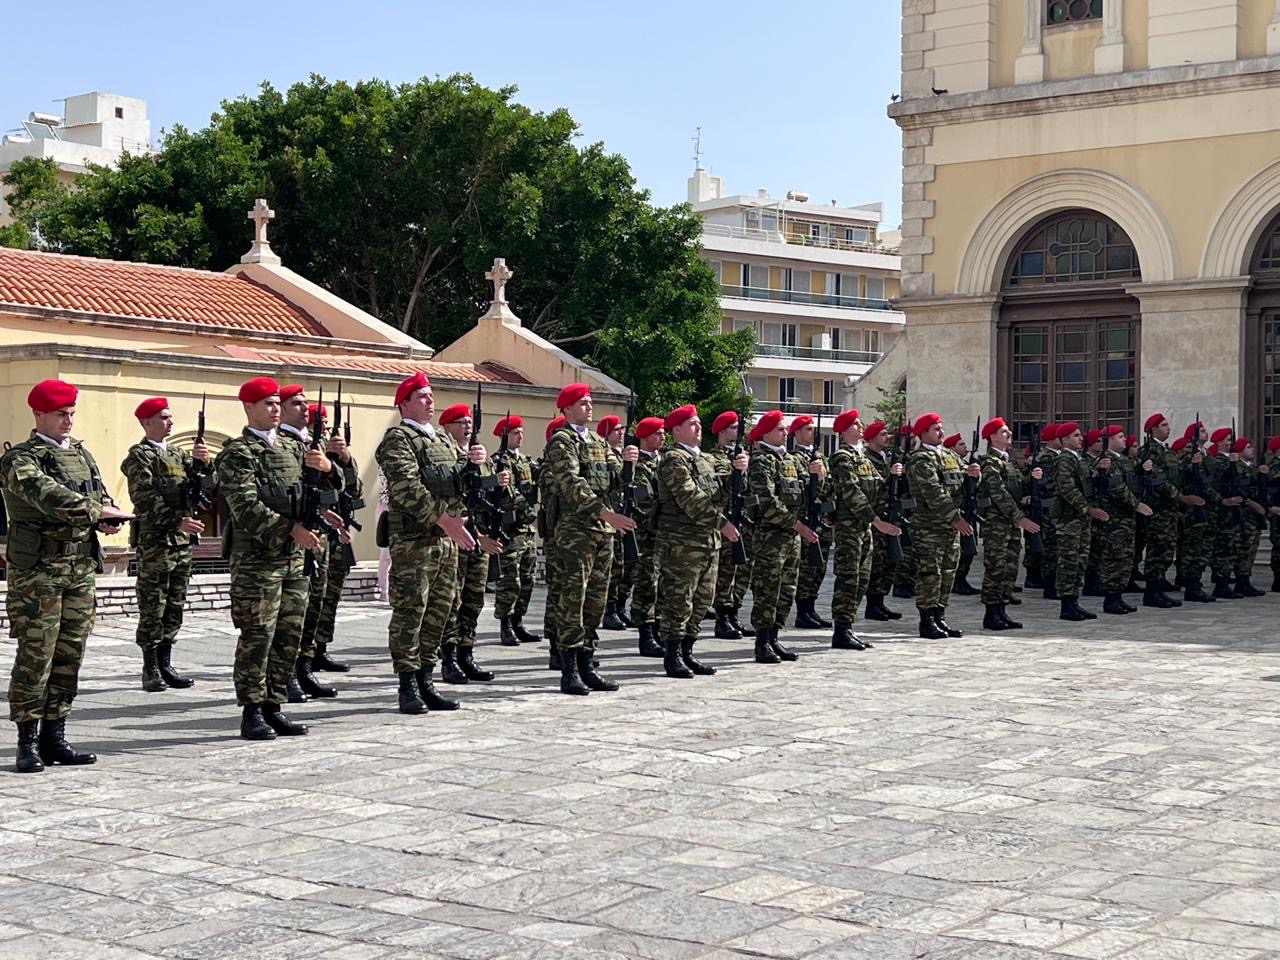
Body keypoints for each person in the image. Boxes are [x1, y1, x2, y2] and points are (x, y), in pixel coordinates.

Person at [4, 379, 130, 773]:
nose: (68, 421)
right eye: (61, 414)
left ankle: (55, 736)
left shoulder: (82, 454)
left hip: (78, 569)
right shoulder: (19, 459)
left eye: (72, 414)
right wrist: (97, 512)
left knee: (69, 654)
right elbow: (47, 495)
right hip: (38, 573)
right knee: (36, 654)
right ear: (38, 415)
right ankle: (27, 740)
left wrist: (108, 513)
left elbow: (99, 494)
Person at [215, 376, 343, 740]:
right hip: (257, 561)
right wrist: (290, 529)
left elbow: (311, 493)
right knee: (258, 635)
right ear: (249, 408)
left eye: (276, 403)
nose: (274, 409)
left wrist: (329, 472)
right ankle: (252, 711)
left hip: (294, 560)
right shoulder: (237, 453)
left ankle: (275, 705)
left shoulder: (292, 447)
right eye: (267, 404)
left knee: (289, 634)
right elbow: (246, 506)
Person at [375, 372, 492, 715]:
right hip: (415, 540)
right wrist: (444, 520)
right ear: (404, 404)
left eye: (430, 395)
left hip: (444, 541)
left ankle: (427, 678)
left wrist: (474, 464)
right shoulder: (398, 439)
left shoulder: (441, 438)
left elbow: (458, 481)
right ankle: (408, 685)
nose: (430, 401)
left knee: (440, 611)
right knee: (411, 611)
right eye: (422, 397)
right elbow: (407, 487)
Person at [541, 383, 637, 695]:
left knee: (596, 600)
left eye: (590, 402)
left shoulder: (598, 441)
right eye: (582, 403)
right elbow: (571, 483)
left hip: (601, 533)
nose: (589, 407)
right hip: (575, 531)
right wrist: (604, 512)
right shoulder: (561, 441)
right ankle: (568, 670)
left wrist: (628, 465)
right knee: (573, 599)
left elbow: (612, 480)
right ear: (566, 409)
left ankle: (587, 662)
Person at [121, 396, 209, 692]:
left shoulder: (178, 454)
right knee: (153, 604)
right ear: (147, 423)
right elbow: (143, 498)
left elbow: (205, 486)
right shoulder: (139, 456)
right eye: (164, 417)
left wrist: (205, 465)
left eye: (170, 417)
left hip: (181, 544)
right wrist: (176, 521)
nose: (170, 422)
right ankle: (150, 667)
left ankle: (166, 662)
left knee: (175, 603)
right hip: (157, 542)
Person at [653, 404, 746, 677]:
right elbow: (689, 498)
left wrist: (737, 474)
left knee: (702, 600)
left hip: (707, 542)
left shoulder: (704, 459)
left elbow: (717, 493)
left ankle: (688, 650)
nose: (698, 428)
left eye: (698, 423)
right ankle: (672, 655)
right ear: (677, 429)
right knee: (679, 600)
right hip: (682, 543)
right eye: (692, 424)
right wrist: (722, 523)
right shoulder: (673, 459)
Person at [277, 387, 340, 701]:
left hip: (320, 536)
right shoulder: (281, 445)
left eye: (305, 403)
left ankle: (304, 667)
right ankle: (286, 675)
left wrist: (336, 462)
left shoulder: (311, 445)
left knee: (315, 604)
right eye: (296, 403)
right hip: (294, 539)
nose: (305, 409)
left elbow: (342, 487)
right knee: (293, 612)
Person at [437, 402, 506, 684]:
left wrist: (501, 481)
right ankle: (449, 656)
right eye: (460, 422)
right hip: (455, 537)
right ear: (447, 427)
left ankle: (467, 652)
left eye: (469, 421)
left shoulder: (483, 456)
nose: (467, 426)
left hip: (480, 539)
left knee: (473, 600)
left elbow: (496, 499)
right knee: (451, 601)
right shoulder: (444, 455)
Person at [747, 410, 821, 662]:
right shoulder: (760, 461)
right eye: (779, 428)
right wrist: (795, 524)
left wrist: (817, 476)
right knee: (768, 588)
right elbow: (767, 501)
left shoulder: (788, 460)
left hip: (791, 536)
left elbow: (805, 493)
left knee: (786, 588)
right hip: (771, 536)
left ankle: (774, 637)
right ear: (766, 432)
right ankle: (762, 642)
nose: (784, 432)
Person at [828, 409, 901, 649]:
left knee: (861, 579)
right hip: (850, 526)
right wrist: (876, 521)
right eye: (856, 424)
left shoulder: (864, 459)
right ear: (845, 429)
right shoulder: (842, 457)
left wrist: (893, 478)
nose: (860, 427)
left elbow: (877, 490)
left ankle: (849, 625)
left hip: (864, 527)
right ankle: (841, 630)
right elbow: (851, 492)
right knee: (849, 578)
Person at [302, 401, 364, 676]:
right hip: (315, 532)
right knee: (312, 597)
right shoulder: (307, 451)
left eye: (327, 424)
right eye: (322, 424)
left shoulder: (338, 455)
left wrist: (346, 460)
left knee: (331, 595)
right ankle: (304, 653)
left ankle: (321, 648)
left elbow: (355, 488)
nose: (326, 430)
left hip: (337, 534)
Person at [906, 412, 979, 639]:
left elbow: (964, 481)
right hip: (929, 526)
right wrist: (955, 517)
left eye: (941, 428)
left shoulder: (949, 455)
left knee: (948, 571)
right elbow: (933, 492)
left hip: (949, 526)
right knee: (930, 572)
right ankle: (926, 620)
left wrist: (975, 476)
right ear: (923, 432)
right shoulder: (920, 459)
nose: (941, 432)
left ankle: (940, 616)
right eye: (936, 429)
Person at [976, 417, 1041, 630]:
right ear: (992, 437)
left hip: (1010, 524)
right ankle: (991, 613)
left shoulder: (1008, 462)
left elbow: (1018, 488)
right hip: (997, 524)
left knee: (1010, 569)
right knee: (996, 568)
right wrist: (1019, 517)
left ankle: (1002, 610)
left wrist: (1032, 478)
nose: (1010, 435)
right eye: (1005, 432)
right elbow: (999, 493)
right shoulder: (989, 462)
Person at [492, 414, 542, 647]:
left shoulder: (526, 462)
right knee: (510, 580)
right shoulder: (498, 462)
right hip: (510, 529)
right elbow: (508, 492)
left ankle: (519, 621)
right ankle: (505, 625)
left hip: (527, 530)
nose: (520, 436)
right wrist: (526, 510)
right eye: (515, 433)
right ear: (504, 436)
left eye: (521, 432)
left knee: (527, 578)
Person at [1051, 422, 1108, 621]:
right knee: (1069, 561)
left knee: (1080, 561)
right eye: (1075, 435)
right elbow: (1067, 488)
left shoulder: (1079, 459)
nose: (1080, 438)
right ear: (1065, 439)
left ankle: (1074, 601)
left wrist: (1101, 470)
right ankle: (1066, 605)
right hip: (1070, 519)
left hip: (1081, 519)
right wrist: (1088, 509)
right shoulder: (1064, 460)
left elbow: (1089, 482)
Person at [1098, 425, 1154, 614]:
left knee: (1126, 556)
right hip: (1114, 518)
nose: (1124, 440)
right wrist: (1137, 505)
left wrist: (1144, 469)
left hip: (1127, 518)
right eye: (1120, 436)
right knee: (1114, 557)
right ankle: (1111, 598)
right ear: (1110, 440)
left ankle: (1118, 595)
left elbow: (1134, 481)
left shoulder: (1125, 460)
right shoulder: (1106, 460)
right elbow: (1116, 487)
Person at [709, 410, 754, 640]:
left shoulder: (742, 456)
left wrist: (743, 470)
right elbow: (719, 487)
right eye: (734, 427)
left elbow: (746, 488)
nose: (738, 432)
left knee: (742, 570)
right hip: (725, 519)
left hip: (742, 519)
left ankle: (734, 613)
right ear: (722, 431)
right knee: (726, 570)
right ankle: (722, 617)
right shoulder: (714, 458)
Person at [1136, 413, 1186, 607]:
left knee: (1166, 550)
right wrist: (1178, 496)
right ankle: (1151, 592)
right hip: (1157, 508)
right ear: (1153, 429)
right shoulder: (1149, 451)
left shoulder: (1166, 451)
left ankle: (1158, 587)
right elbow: (1156, 479)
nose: (1168, 428)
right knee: (1157, 550)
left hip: (1170, 508)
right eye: (1164, 425)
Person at [789, 415, 833, 629]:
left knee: (819, 567)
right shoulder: (793, 458)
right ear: (796, 433)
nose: (812, 433)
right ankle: (802, 611)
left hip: (821, 519)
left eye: (812, 429)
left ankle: (811, 607)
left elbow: (830, 489)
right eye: (807, 429)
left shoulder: (821, 459)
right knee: (806, 568)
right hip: (805, 519)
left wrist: (823, 477)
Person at [630, 416, 666, 658]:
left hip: (667, 536)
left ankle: (660, 630)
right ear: (644, 437)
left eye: (663, 433)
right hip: (647, 537)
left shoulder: (666, 462)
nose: (662, 437)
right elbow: (643, 504)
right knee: (647, 585)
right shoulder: (637, 467)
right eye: (657, 433)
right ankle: (646, 634)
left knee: (664, 585)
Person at [863, 420, 905, 621]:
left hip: (890, 514)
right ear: (871, 438)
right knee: (877, 564)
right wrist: (890, 476)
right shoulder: (867, 460)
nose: (887, 437)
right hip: (876, 517)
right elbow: (875, 490)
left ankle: (880, 602)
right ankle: (872, 605)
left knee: (888, 562)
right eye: (882, 434)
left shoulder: (886, 458)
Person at [598, 414, 634, 631]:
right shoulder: (605, 454)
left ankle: (620, 607)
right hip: (610, 515)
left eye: (622, 429)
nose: (621, 433)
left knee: (625, 567)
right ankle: (610, 610)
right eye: (616, 430)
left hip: (624, 514)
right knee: (613, 567)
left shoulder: (623, 454)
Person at [944, 432, 979, 596]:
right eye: (961, 445)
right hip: (956, 513)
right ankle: (957, 581)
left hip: (968, 510)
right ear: (951, 448)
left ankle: (962, 579)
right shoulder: (949, 464)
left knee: (969, 549)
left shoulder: (966, 465)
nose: (965, 447)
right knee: (959, 551)